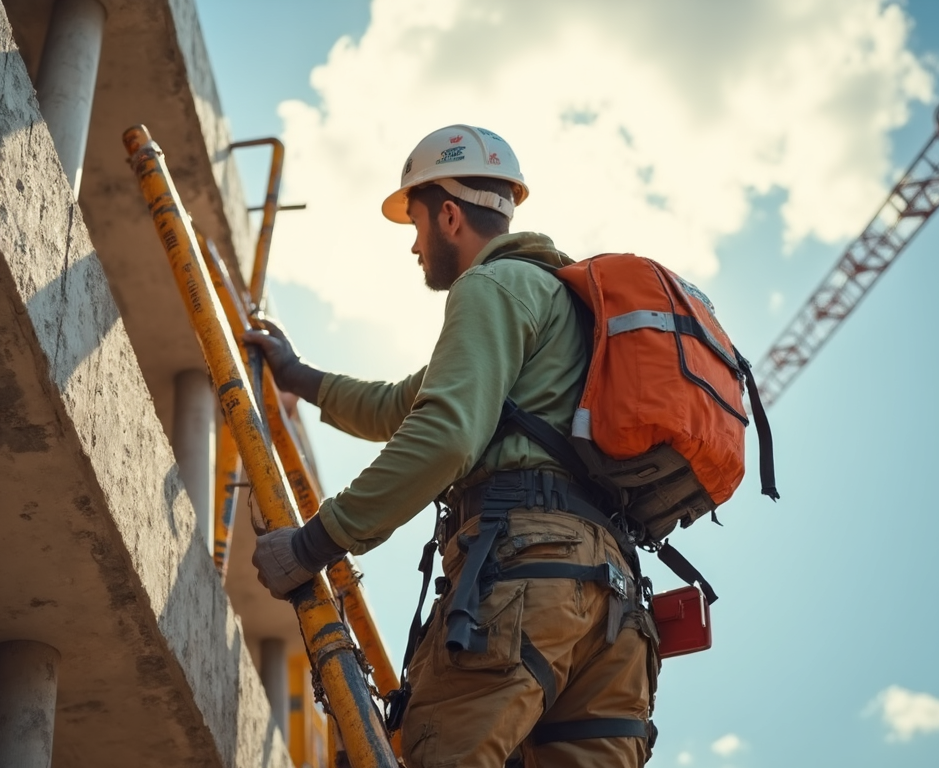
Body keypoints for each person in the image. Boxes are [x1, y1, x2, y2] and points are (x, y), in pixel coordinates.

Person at [247, 124, 657, 768]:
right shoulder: (563, 306)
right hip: (616, 606)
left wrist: (313, 544)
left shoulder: (491, 287)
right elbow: (401, 404)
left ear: (447, 215)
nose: (415, 245)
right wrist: (299, 376)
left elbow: (444, 435)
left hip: (528, 578)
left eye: (415, 223)